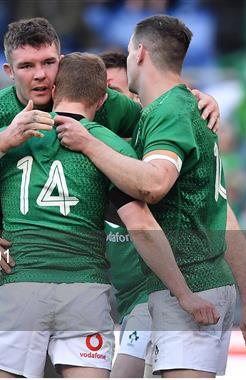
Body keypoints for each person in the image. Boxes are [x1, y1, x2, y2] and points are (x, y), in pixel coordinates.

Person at [0, 18, 222, 354]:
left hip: (80, 264)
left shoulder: (105, 103)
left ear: (62, 59)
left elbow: (161, 116)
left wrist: (193, 100)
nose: (40, 74)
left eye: (48, 63)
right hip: (6, 265)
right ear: (8, 71)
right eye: (26, 66)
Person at [56, 15, 246, 377]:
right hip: (167, 290)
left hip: (191, 285)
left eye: (128, 52)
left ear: (140, 53)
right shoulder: (166, 111)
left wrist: (89, 143)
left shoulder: (169, 112)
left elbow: (155, 185)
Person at [99, 51, 150, 378]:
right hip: (105, 306)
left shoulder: (156, 157)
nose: (107, 104)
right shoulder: (76, 151)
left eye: (115, 95)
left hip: (156, 299)